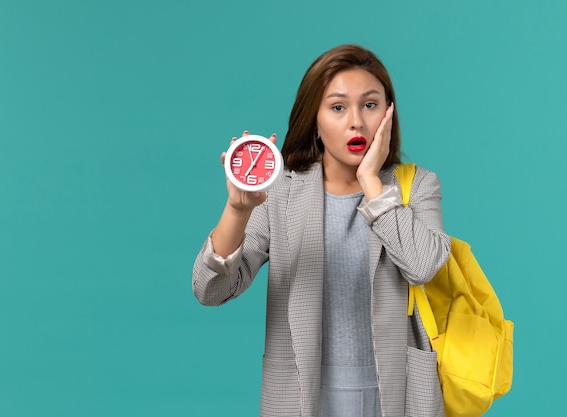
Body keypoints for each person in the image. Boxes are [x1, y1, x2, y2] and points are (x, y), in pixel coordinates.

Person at [193, 44, 451, 417]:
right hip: (302, 398)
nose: (356, 122)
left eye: (370, 104)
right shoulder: (280, 192)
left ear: (389, 113)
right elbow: (210, 289)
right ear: (314, 119)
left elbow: (423, 265)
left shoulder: (418, 187)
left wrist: (371, 183)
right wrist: (237, 209)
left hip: (398, 395)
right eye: (337, 107)